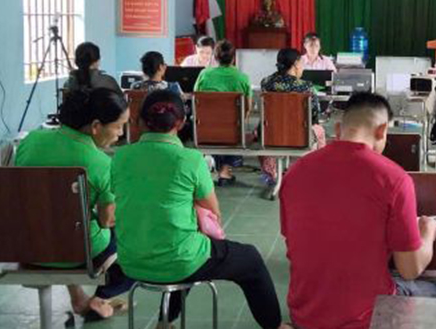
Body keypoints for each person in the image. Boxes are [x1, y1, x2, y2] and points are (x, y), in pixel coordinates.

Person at [111, 90, 288, 328]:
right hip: (179, 261)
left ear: (139, 121)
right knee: (249, 259)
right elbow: (213, 212)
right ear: (182, 122)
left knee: (183, 244)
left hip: (130, 260)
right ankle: (275, 325)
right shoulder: (190, 160)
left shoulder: (120, 157)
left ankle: (165, 322)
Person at [280, 92, 436, 329]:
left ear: (338, 129)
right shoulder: (394, 178)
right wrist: (428, 233)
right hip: (365, 318)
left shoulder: (294, 173)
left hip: (305, 315)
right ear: (382, 130)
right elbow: (410, 269)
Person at [15, 88, 132, 320]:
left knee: (59, 218)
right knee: (131, 235)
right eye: (119, 126)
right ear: (96, 126)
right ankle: (101, 297)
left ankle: (78, 297)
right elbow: (107, 220)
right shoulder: (100, 164)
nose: (120, 134)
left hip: (28, 247)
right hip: (80, 253)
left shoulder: (30, 141)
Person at [259, 48, 324, 185]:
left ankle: (270, 172)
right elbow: (314, 114)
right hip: (298, 136)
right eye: (302, 63)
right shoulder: (306, 87)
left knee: (262, 129)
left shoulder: (266, 82)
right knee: (319, 130)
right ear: (295, 64)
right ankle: (314, 171)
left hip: (271, 135)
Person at [194, 40, 252, 186]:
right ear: (233, 58)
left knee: (215, 124)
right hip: (233, 132)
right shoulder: (242, 77)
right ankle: (224, 171)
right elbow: (248, 108)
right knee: (236, 125)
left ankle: (211, 165)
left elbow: (195, 100)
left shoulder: (204, 74)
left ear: (215, 57)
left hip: (205, 130)